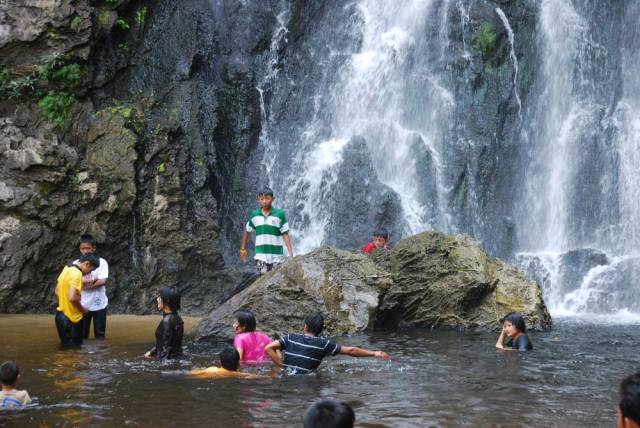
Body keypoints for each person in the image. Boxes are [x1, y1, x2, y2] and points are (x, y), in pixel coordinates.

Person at [264, 313, 390, 374]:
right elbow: (351, 351)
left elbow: (268, 347)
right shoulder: (324, 344)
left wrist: (281, 365)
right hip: (306, 380)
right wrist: (374, 353)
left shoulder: (290, 337)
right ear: (320, 329)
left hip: (287, 375)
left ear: (305, 326)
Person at [240, 187, 293, 274]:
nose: (264, 201)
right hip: (261, 256)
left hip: (277, 257)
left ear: (273, 199)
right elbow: (247, 231)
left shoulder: (280, 214)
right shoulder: (254, 215)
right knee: (264, 277)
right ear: (258, 199)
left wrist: (290, 253)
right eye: (262, 199)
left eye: (267, 198)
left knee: (275, 281)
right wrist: (243, 249)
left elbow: (285, 234)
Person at [54, 253, 100, 347]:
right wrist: (83, 310)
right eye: (91, 270)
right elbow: (72, 297)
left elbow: (57, 291)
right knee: (74, 351)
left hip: (60, 316)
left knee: (66, 349)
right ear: (87, 264)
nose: (90, 273)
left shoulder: (67, 268)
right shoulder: (77, 274)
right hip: (71, 319)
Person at [75, 234, 109, 340]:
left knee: (100, 334)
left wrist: (83, 285)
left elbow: (102, 281)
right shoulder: (76, 264)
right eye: (83, 249)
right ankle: (83, 356)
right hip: (82, 304)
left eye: (88, 248)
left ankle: (99, 355)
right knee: (82, 334)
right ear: (80, 249)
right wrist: (93, 281)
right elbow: (74, 283)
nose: (86, 251)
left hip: (99, 304)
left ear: (94, 248)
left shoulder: (102, 262)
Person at [144, 287, 184, 360]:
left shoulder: (166, 322)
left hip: (168, 363)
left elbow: (166, 351)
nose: (157, 299)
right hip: (178, 358)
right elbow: (169, 344)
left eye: (160, 297)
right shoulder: (177, 318)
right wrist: (151, 351)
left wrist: (156, 361)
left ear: (166, 300)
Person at [188, 348, 258, 379]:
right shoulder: (239, 375)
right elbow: (256, 376)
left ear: (220, 362)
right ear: (238, 363)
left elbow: (190, 373)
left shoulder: (212, 369)